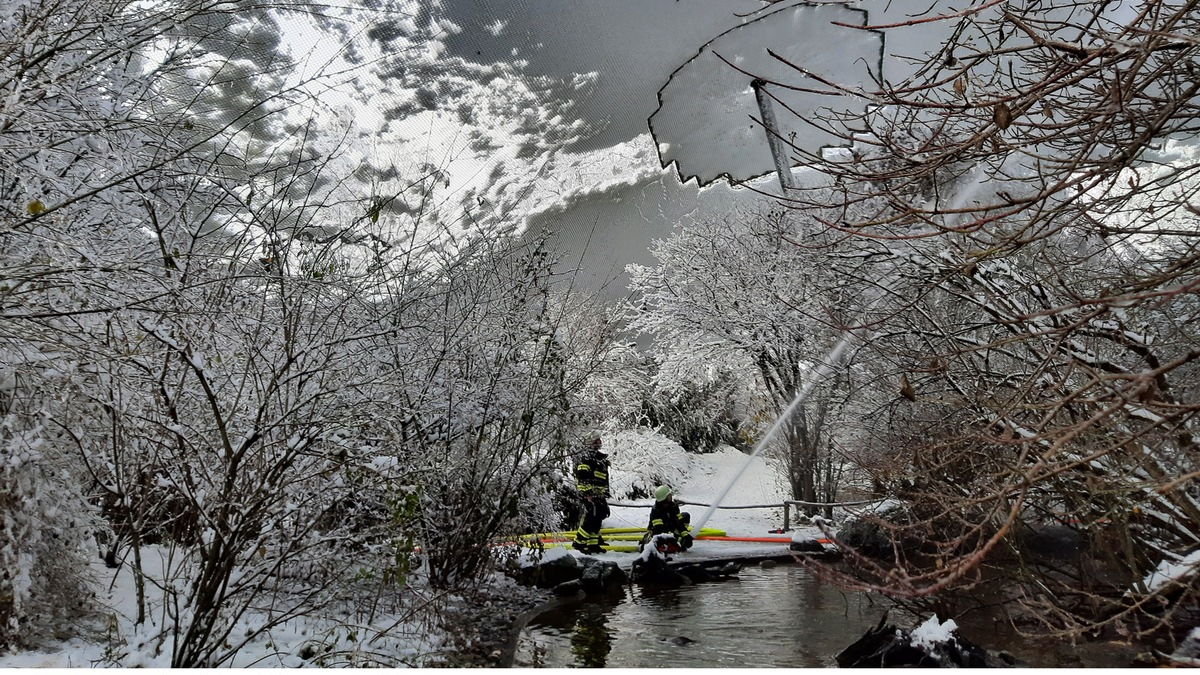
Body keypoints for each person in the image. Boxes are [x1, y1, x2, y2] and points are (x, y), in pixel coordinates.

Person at [573, 429, 610, 554]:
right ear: (591, 442)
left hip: (598, 495)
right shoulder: (586, 458)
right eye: (597, 440)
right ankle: (579, 543)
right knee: (590, 520)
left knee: (597, 519)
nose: (600, 442)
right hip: (590, 496)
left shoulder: (599, 459)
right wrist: (587, 494)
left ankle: (593, 544)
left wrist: (603, 493)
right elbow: (582, 477)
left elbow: (602, 479)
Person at [642, 485, 693, 551]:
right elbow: (659, 529)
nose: (671, 496)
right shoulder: (656, 510)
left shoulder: (673, 506)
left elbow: (678, 523)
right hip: (658, 531)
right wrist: (678, 539)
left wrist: (685, 535)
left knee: (685, 516)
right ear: (664, 498)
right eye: (669, 495)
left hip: (670, 527)